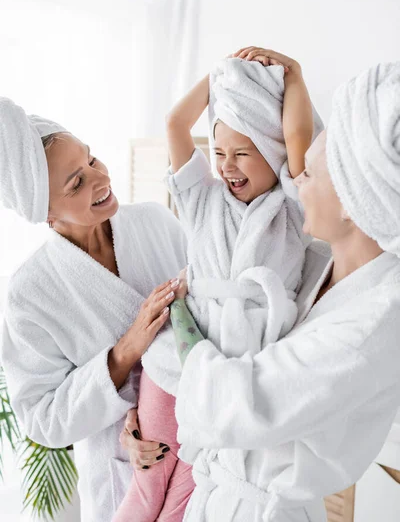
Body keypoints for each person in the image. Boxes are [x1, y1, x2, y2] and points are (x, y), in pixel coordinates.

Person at [124, 58, 400, 521]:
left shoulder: (371, 325)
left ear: (355, 201)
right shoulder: (319, 267)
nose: (296, 183)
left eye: (308, 175)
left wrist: (182, 329)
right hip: (219, 490)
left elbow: (231, 404)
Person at [114, 47, 322, 521]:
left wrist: (293, 73)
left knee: (189, 498)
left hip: (237, 368)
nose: (226, 166)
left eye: (243, 154)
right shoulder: (200, 199)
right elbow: (174, 123)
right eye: (220, 152)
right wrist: (222, 77)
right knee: (147, 487)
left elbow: (297, 133)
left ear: (272, 152)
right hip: (174, 367)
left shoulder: (292, 206)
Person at [0, 98, 190, 522]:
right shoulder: (31, 293)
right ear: (46, 214)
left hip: (202, 441)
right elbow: (42, 419)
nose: (100, 178)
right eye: (76, 183)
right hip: (122, 478)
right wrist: (124, 353)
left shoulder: (155, 223)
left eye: (92, 159)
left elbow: (212, 307)